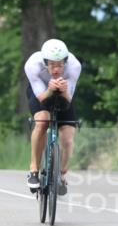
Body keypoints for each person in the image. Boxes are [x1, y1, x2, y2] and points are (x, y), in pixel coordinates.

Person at [24, 38, 81, 194]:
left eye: (60, 65)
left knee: (68, 137)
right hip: (41, 91)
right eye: (52, 65)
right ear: (45, 63)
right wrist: (50, 89)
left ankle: (61, 174)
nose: (56, 69)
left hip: (64, 92)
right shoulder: (32, 65)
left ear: (66, 62)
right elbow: (42, 98)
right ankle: (34, 170)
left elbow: (68, 99)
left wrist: (62, 90)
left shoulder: (74, 66)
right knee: (42, 121)